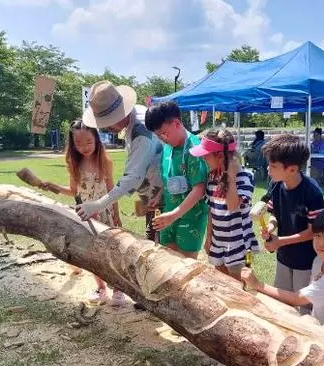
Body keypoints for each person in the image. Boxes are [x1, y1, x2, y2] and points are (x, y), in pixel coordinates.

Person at [241, 208, 324, 338]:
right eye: (318, 235)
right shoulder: (319, 261)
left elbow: (296, 299)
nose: (321, 243)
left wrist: (257, 284)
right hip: (321, 330)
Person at [40, 119, 121, 305]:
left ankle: (118, 288)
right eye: (79, 144)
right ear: (72, 144)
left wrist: (117, 216)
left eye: (89, 142)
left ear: (97, 140)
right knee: (91, 254)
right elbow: (73, 192)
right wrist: (54, 187)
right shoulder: (74, 164)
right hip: (85, 217)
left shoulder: (105, 162)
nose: (84, 147)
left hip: (105, 215)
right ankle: (101, 288)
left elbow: (112, 192)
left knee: (111, 252)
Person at [75, 81, 164, 244]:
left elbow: (132, 178)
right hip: (153, 192)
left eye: (107, 122)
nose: (106, 127)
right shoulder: (134, 115)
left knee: (163, 246)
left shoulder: (141, 131)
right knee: (152, 238)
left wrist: (97, 205)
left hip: (165, 194)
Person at [261, 134, 324, 314]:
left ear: (292, 169)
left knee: (304, 308)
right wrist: (271, 227)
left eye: (273, 166)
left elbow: (312, 232)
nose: (268, 169)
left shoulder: (312, 193)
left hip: (305, 262)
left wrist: (279, 241)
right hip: (284, 257)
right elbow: (274, 214)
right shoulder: (276, 185)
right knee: (280, 304)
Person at [190, 128, 259, 279]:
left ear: (220, 156)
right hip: (219, 242)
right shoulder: (213, 177)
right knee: (222, 281)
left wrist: (231, 176)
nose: (203, 159)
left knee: (241, 284)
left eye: (206, 156)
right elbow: (211, 210)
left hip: (240, 246)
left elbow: (233, 205)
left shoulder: (245, 177)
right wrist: (209, 238)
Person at [145, 101, 209, 259]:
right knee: (169, 260)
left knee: (186, 265)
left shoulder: (195, 148)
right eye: (158, 136)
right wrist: (159, 198)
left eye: (164, 133)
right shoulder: (167, 148)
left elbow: (199, 189)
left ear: (177, 123)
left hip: (190, 217)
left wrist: (174, 214)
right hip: (168, 215)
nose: (163, 139)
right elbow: (168, 178)